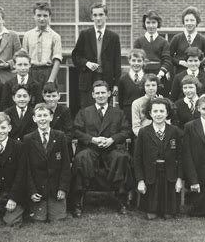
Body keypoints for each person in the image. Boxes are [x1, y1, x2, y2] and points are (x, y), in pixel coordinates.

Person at [71, 81, 133, 217]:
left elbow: (126, 131)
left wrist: (112, 139)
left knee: (121, 158)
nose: (100, 96)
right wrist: (92, 139)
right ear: (93, 95)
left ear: (109, 94)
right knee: (82, 158)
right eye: (97, 93)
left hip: (112, 148)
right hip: (91, 148)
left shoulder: (118, 112)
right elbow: (76, 131)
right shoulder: (84, 112)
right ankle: (78, 201)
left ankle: (122, 200)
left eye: (103, 92)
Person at [134, 98, 183, 220]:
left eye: (162, 111)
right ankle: (152, 208)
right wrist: (140, 181)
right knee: (152, 215)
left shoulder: (175, 131)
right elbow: (137, 159)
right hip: (151, 176)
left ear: (167, 113)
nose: (158, 114)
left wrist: (179, 179)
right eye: (155, 111)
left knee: (169, 215)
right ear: (150, 113)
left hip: (169, 176)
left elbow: (181, 157)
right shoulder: (144, 132)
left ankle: (168, 209)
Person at [24, 103, 71, 221]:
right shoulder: (28, 139)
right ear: (34, 119)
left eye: (45, 115)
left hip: (55, 188)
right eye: (39, 116)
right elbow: (27, 168)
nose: (42, 119)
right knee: (39, 219)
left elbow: (65, 165)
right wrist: (32, 191)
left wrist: (62, 188)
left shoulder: (60, 136)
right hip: (38, 189)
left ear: (51, 117)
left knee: (58, 218)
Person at [72, 3, 121, 108]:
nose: (98, 18)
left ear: (106, 16)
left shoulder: (114, 37)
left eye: (101, 14)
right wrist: (87, 63)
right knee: (88, 112)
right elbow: (75, 56)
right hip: (88, 81)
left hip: (107, 80)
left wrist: (116, 84)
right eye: (95, 15)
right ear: (91, 17)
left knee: (106, 111)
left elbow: (117, 62)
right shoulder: (84, 35)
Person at [22, 2, 63, 87]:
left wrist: (51, 80)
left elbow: (57, 61)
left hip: (47, 71)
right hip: (32, 71)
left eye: (45, 16)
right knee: (31, 99)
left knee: (49, 98)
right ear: (34, 16)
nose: (42, 19)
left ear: (49, 17)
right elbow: (24, 58)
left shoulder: (55, 36)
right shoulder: (27, 35)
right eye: (39, 15)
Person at [133, 10, 172, 97]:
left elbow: (167, 60)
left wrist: (160, 75)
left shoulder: (164, 42)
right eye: (148, 22)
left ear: (158, 23)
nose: (151, 25)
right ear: (144, 24)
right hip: (143, 75)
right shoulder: (138, 42)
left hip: (159, 76)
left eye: (153, 22)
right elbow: (135, 60)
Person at [170, 6, 205, 74]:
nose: (189, 23)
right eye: (186, 20)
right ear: (183, 22)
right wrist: (180, 62)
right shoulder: (176, 38)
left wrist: (198, 63)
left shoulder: (203, 40)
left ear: (197, 21)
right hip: (180, 74)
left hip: (198, 75)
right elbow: (169, 57)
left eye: (192, 20)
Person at [42, 82, 74, 159]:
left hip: (61, 147)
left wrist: (56, 145)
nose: (51, 99)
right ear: (43, 96)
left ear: (59, 96)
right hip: (43, 148)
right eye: (48, 96)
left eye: (54, 96)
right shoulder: (40, 111)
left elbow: (69, 133)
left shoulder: (65, 111)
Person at [118, 49, 146, 126]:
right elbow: (120, 99)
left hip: (144, 113)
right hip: (128, 113)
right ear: (129, 61)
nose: (136, 63)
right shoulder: (123, 79)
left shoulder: (147, 79)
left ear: (143, 62)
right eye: (133, 60)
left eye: (139, 61)